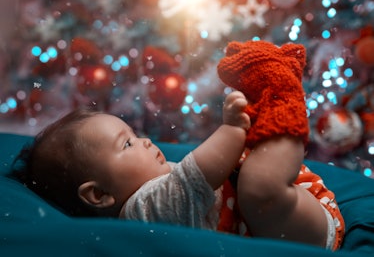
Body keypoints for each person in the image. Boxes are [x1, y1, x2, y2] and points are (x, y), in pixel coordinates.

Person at [10, 90, 343, 250]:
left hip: (290, 211)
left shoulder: (155, 179)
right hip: (303, 234)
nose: (144, 141)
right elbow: (202, 170)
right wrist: (231, 128)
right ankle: (287, 112)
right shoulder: (144, 209)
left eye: (135, 134)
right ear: (99, 195)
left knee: (256, 182)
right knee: (259, 187)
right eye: (127, 145)